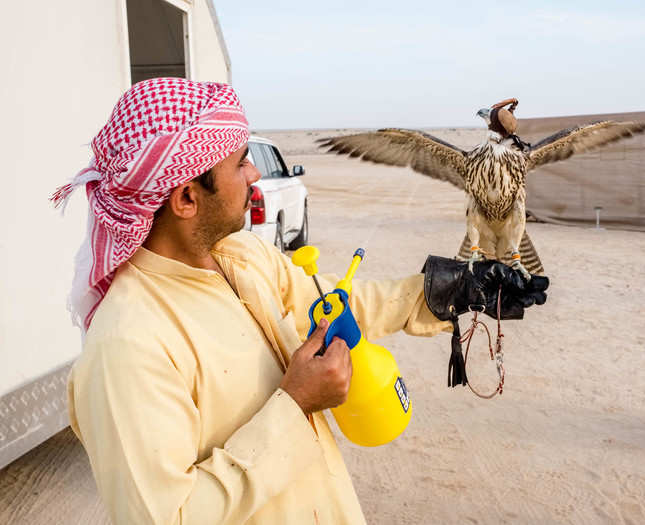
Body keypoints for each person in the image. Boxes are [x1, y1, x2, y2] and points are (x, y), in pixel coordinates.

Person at [54, 78, 548, 525]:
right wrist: (295, 405)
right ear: (186, 199)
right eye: (239, 161)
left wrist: (446, 291)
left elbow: (336, 306)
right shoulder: (128, 346)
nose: (253, 174)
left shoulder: (241, 256)